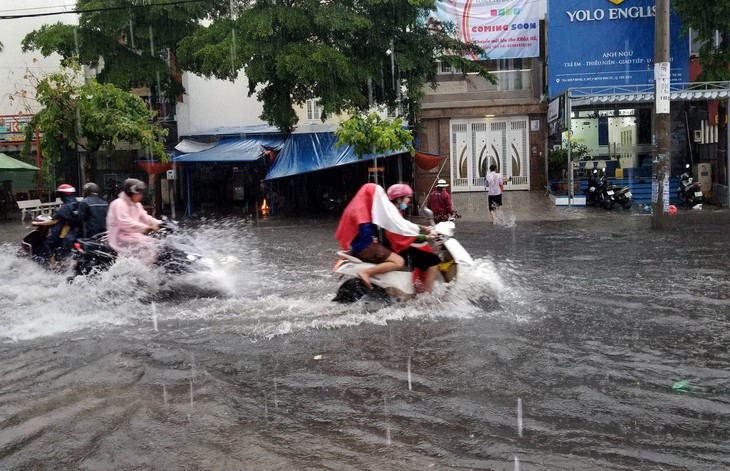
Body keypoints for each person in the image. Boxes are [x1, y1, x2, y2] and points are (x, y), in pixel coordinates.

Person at [335, 183, 427, 290]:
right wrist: (424, 234)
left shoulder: (359, 208)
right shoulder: (363, 211)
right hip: (366, 246)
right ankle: (366, 273)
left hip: (359, 245)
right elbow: (372, 231)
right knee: (399, 261)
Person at [385, 184, 440, 293]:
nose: (408, 200)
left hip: (398, 247)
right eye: (407, 197)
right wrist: (426, 237)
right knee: (434, 260)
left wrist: (423, 228)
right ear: (399, 198)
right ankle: (428, 295)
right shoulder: (392, 215)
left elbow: (407, 225)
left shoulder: (394, 211)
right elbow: (406, 235)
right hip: (398, 250)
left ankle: (419, 287)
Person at [106, 178, 162, 263]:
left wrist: (160, 223)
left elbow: (146, 217)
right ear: (130, 192)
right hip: (120, 238)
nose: (141, 195)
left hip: (133, 236)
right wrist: (147, 228)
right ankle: (147, 271)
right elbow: (125, 223)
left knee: (159, 244)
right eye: (138, 193)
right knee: (148, 246)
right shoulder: (118, 204)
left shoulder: (137, 205)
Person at [32, 183, 79, 265]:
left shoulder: (65, 207)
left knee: (47, 242)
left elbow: (53, 221)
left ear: (62, 194)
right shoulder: (78, 204)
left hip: (65, 235)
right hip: (76, 233)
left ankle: (53, 263)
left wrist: (36, 222)